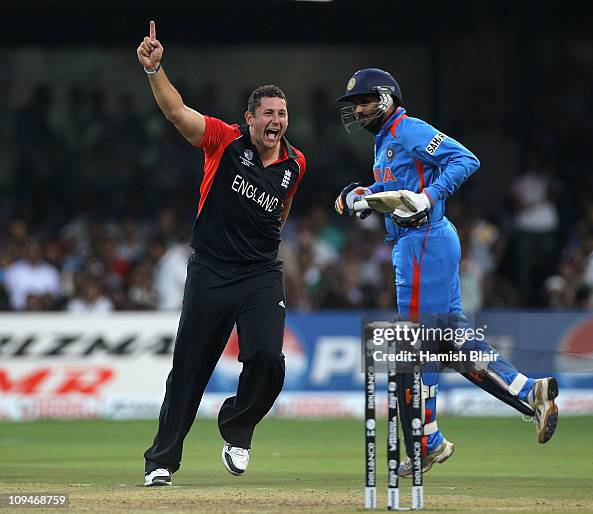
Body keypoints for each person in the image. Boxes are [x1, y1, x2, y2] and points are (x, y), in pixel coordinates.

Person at [334, 68, 558, 475]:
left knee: (422, 343)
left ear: (386, 99)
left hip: (424, 242)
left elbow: (464, 159)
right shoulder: (386, 141)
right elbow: (398, 188)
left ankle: (429, 440)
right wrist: (366, 197)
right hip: (419, 242)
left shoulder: (408, 129)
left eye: (365, 101)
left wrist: (428, 196)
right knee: (449, 337)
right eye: (355, 105)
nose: (359, 110)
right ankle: (530, 390)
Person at [137, 21, 306, 486]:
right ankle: (161, 463)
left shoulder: (296, 163)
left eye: (283, 114)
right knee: (188, 370)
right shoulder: (223, 139)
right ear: (249, 118)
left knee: (269, 360)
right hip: (211, 270)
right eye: (268, 113)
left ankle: (237, 425)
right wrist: (155, 70)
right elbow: (177, 113)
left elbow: (282, 210)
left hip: (260, 274)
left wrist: (262, 246)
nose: (276, 121)